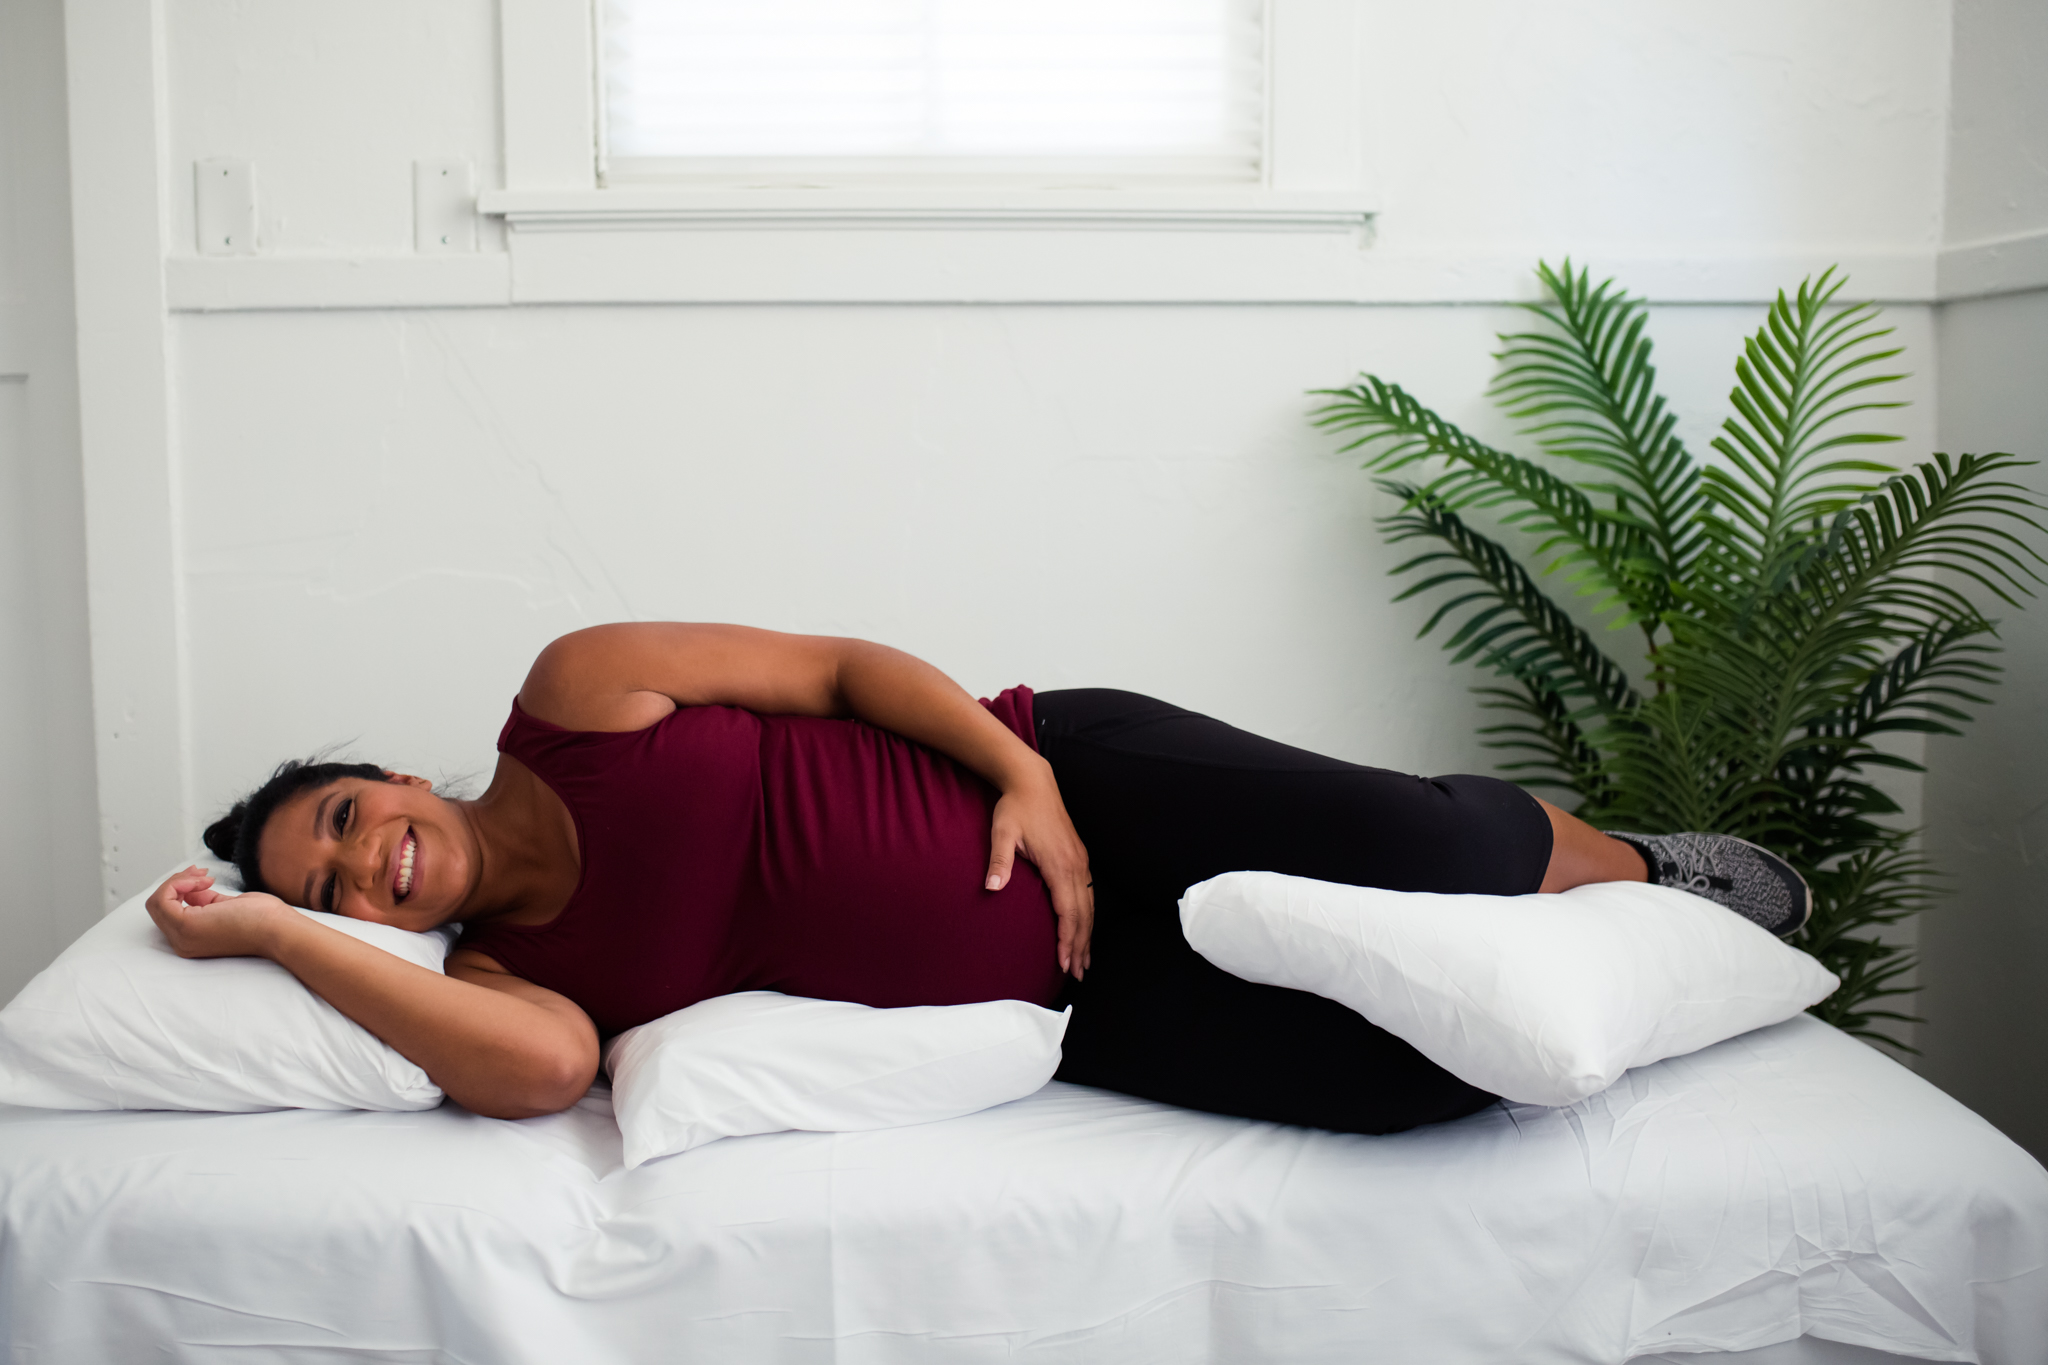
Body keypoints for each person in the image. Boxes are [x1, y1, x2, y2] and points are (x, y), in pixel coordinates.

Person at [147, 623, 1809, 1132]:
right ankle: (1649, 974)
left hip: (1085, 787)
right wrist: (274, 941)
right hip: (1073, 999)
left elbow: (843, 669)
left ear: (379, 774)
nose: (373, 854)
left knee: (1431, 848)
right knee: (1399, 1089)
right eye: (339, 884)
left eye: (348, 815)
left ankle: (1647, 864)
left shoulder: (575, 693)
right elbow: (556, 1075)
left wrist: (1026, 777)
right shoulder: (516, 986)